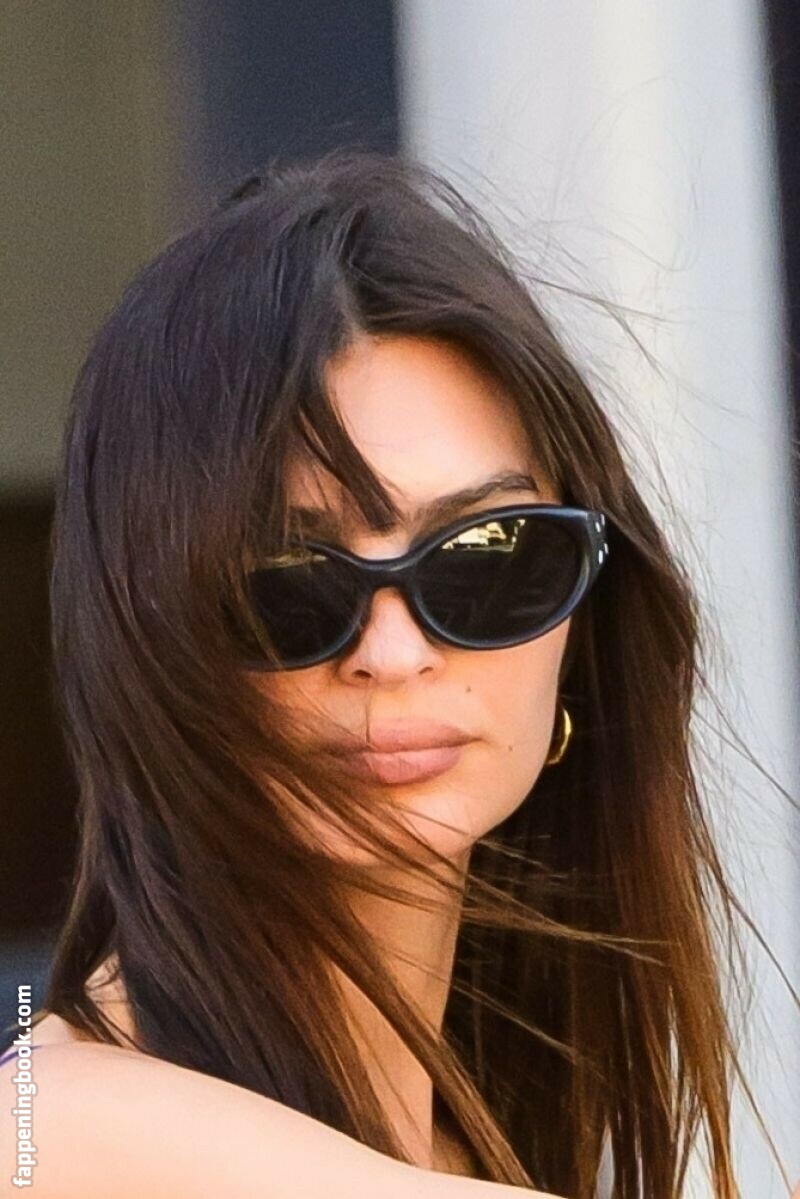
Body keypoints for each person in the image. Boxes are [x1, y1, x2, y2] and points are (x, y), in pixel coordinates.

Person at [0, 147, 791, 1198]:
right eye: (286, 583)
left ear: (583, 625)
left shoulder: (491, 1138)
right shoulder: (50, 1133)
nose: (395, 650)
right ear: (145, 641)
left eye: (488, 559)